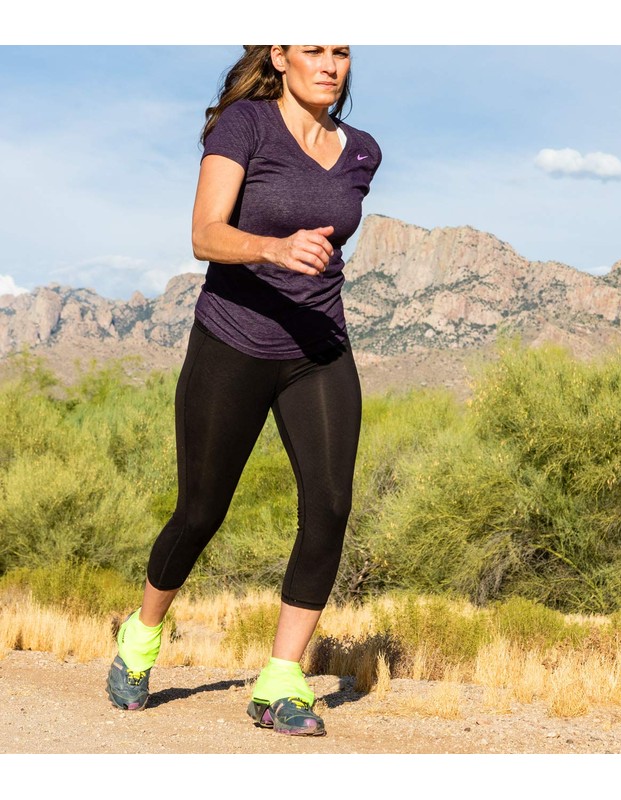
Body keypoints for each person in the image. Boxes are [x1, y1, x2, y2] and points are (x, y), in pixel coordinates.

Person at [106, 44, 381, 737]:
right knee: (201, 511)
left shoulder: (362, 152)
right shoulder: (245, 126)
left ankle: (280, 681)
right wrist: (273, 247)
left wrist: (305, 260)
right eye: (314, 49)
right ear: (281, 57)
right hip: (232, 342)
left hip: (319, 347)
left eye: (341, 51)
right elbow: (204, 235)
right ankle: (141, 635)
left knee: (330, 506)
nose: (330, 64)